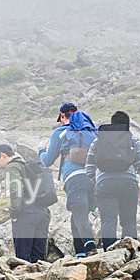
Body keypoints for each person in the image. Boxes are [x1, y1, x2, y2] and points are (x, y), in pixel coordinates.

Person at [38, 102, 99, 257]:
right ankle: (80, 253)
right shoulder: (91, 132)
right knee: (77, 214)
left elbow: (47, 160)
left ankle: (90, 247)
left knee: (79, 214)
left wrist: (41, 149)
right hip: (94, 177)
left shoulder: (60, 132)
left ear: (62, 115)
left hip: (74, 177)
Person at [85, 111, 140, 250]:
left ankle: (110, 255)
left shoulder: (98, 141)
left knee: (108, 221)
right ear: (127, 126)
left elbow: (89, 167)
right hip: (128, 183)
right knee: (129, 222)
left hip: (104, 184)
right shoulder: (132, 139)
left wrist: (98, 183)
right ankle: (131, 255)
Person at [0, 144, 51, 263]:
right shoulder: (28, 166)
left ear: (3, 156)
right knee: (39, 259)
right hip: (43, 213)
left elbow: (16, 189)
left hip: (26, 214)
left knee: (23, 259)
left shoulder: (13, 166)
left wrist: (14, 213)